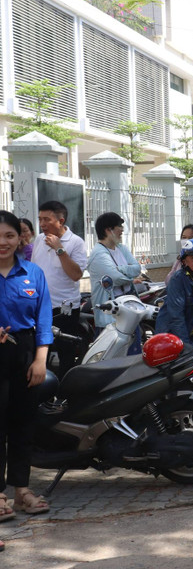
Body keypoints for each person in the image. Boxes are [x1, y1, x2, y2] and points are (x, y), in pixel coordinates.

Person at [0, 210, 53, 548]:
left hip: (26, 357)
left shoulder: (33, 272)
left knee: (22, 425)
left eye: (8, 236)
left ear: (20, 238)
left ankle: (21, 491)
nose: (2, 243)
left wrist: (40, 360)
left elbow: (44, 318)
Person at [32, 201, 88, 372]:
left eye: (47, 219)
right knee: (40, 352)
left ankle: (65, 394)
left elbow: (76, 275)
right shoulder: (39, 240)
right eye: (40, 219)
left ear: (61, 221)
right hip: (39, 306)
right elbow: (34, 270)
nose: (42, 224)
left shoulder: (75, 242)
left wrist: (59, 249)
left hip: (64, 309)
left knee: (66, 353)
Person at [86, 212, 142, 332]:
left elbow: (137, 269)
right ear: (108, 230)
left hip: (129, 309)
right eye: (119, 227)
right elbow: (115, 279)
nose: (122, 230)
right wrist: (128, 275)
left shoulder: (121, 248)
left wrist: (119, 268)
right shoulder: (99, 254)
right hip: (111, 315)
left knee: (133, 348)